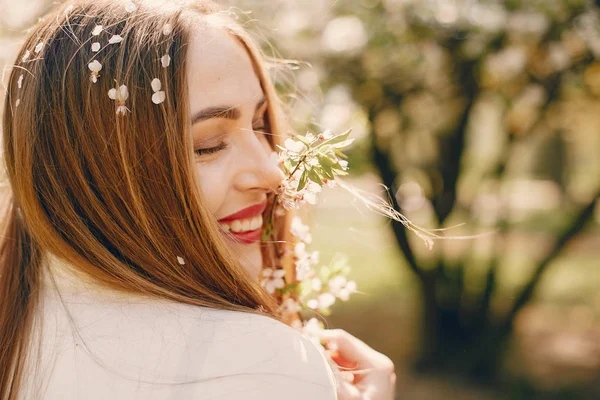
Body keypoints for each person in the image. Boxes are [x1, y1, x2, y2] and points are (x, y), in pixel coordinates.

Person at [0, 1, 396, 399]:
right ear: (95, 172)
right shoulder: (263, 364)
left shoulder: (17, 323)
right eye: (208, 144)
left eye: (260, 124)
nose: (271, 173)